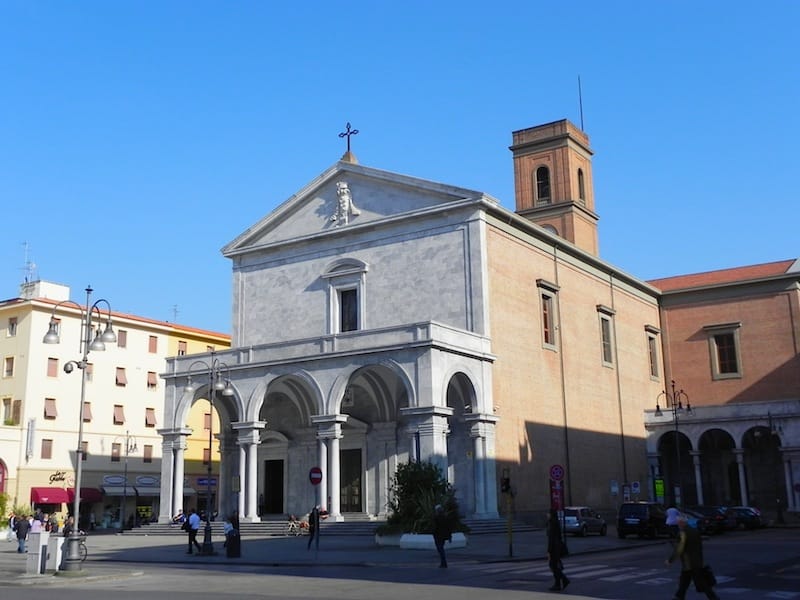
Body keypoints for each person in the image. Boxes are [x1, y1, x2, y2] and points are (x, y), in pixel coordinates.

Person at [665, 516, 720, 600]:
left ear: (681, 523)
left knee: (699, 582)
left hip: (688, 562)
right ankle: (679, 596)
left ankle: (713, 598)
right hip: (697, 560)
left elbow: (680, 548)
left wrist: (670, 560)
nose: (678, 525)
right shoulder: (694, 531)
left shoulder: (683, 533)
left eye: (678, 523)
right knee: (686, 581)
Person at [546, 509, 570, 592]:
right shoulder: (555, 522)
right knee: (555, 565)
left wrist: (549, 551)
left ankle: (562, 581)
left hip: (554, 548)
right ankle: (560, 583)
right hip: (557, 547)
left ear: (551, 514)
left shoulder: (552, 523)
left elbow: (551, 539)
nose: (547, 515)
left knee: (553, 566)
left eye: (548, 513)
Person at [432, 504, 452, 568]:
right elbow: (449, 528)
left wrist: (434, 533)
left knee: (440, 549)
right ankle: (443, 562)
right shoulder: (445, 517)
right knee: (441, 549)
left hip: (438, 536)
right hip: (443, 536)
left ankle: (444, 563)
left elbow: (435, 527)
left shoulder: (436, 518)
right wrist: (449, 536)